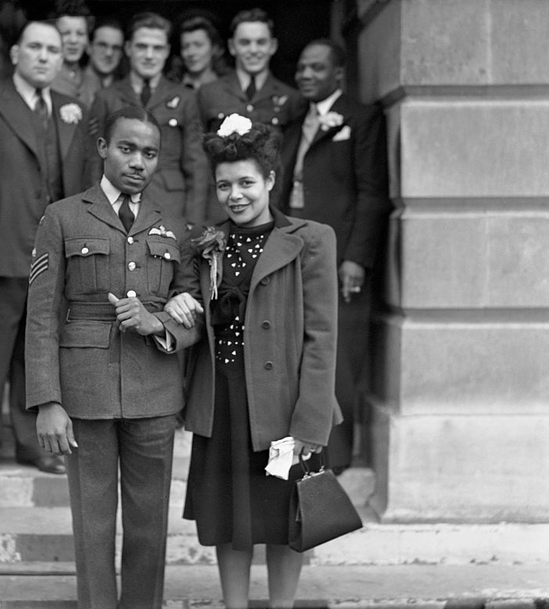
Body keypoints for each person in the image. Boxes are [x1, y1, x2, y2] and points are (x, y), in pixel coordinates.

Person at [25, 106, 202, 609]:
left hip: (154, 390)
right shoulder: (62, 216)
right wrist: (47, 401)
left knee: (149, 528)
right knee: (93, 525)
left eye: (149, 153)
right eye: (127, 149)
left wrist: (159, 325)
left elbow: (195, 312)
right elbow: (41, 314)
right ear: (103, 147)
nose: (138, 162)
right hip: (85, 392)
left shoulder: (173, 223)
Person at [164, 114, 341, 609]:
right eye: (224, 185)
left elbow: (322, 337)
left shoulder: (310, 239)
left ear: (269, 180)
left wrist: (311, 422)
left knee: (289, 519)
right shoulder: (204, 244)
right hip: (223, 401)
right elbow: (192, 312)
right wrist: (175, 307)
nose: (235, 195)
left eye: (246, 182)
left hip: (286, 404)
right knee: (230, 520)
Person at [0, 20, 87, 481]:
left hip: (52, 259)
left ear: (63, 59)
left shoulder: (71, 110)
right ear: (15, 54)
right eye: (36, 47)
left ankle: (32, 445)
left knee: (36, 355)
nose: (45, 56)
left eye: (54, 50)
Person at [277, 38, 391, 472]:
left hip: (340, 255)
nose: (306, 75)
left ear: (338, 73)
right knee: (297, 349)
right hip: (294, 251)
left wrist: (356, 258)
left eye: (317, 68)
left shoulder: (362, 119)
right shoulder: (293, 120)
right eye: (302, 68)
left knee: (339, 355)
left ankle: (335, 459)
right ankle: (299, 449)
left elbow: (372, 194)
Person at [86, 12, 210, 226]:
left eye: (158, 48)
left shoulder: (186, 98)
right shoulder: (106, 97)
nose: (149, 55)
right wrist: (92, 214)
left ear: (167, 52)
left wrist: (193, 221)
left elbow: (197, 165)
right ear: (128, 49)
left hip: (169, 204)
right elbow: (94, 162)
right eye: (142, 46)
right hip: (114, 206)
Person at [197, 9, 303, 135]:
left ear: (273, 46)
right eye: (245, 43)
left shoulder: (292, 98)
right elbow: (198, 145)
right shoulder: (208, 93)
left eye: (261, 42)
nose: (253, 50)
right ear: (232, 46)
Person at [49, 0, 101, 108]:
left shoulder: (93, 84)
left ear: (87, 40)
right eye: (66, 33)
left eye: (80, 33)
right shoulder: (45, 79)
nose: (73, 40)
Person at [168, 15, 230, 91]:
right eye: (185, 46)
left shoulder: (228, 85)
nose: (191, 52)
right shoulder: (171, 84)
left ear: (213, 48)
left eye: (198, 45)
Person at [85, 17, 125, 93]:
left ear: (122, 53)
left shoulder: (128, 90)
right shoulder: (70, 84)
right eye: (102, 45)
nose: (109, 53)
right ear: (89, 47)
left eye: (116, 48)